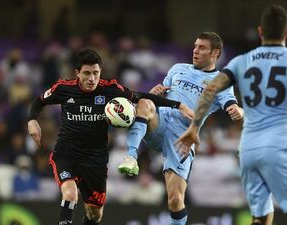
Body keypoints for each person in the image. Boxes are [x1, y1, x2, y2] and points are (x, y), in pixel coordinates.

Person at [175, 5, 287, 225]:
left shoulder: (241, 61)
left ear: (260, 32)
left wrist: (194, 128)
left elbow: (210, 89)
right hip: (280, 145)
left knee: (262, 219)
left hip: (248, 150)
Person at [27, 48, 192, 225]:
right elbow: (39, 101)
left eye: (96, 73)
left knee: (95, 214)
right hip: (67, 154)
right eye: (87, 73)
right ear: (77, 73)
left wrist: (178, 105)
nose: (92, 79)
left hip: (95, 160)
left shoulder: (110, 90)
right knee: (70, 193)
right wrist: (32, 120)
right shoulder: (63, 89)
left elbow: (140, 96)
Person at [117, 31, 243, 225]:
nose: (195, 51)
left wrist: (237, 111)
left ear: (215, 53)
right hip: (159, 123)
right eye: (195, 46)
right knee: (143, 103)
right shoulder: (177, 68)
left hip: (182, 137)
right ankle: (131, 157)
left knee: (175, 200)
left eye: (202, 48)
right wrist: (153, 93)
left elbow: (231, 105)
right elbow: (157, 97)